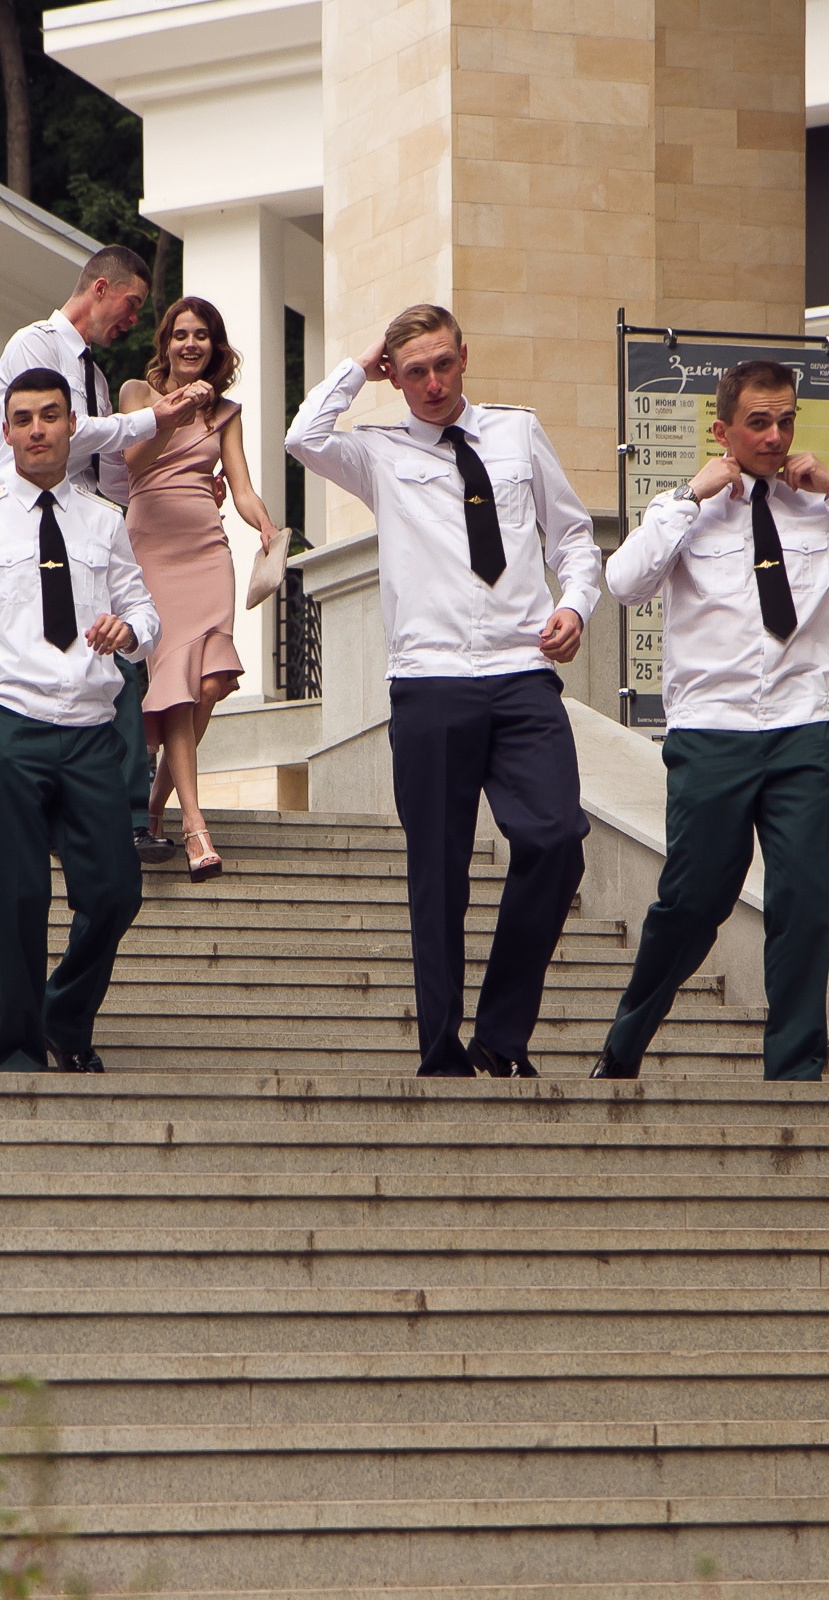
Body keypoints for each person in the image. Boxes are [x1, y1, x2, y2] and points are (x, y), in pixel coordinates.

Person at [592, 359, 829, 1082]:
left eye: (786, 420)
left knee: (804, 905)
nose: (775, 436)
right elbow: (623, 584)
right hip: (711, 735)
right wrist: (689, 497)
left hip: (800, 735)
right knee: (692, 903)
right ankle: (625, 1043)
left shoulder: (823, 513)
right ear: (722, 429)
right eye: (758, 422)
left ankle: (795, 1073)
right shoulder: (682, 511)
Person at [286, 304, 600, 1080]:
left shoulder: (518, 432)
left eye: (443, 365)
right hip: (430, 682)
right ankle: (441, 1049)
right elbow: (302, 438)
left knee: (557, 840)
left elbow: (571, 536)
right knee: (439, 870)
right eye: (413, 371)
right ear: (395, 376)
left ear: (466, 357)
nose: (430, 384)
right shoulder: (377, 451)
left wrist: (574, 604)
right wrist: (361, 366)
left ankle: (501, 1033)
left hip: (522, 673)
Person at [0, 368, 159, 1073]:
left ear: (73, 426)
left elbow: (145, 609)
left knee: (116, 891)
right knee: (19, 895)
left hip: (94, 729)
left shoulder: (104, 520)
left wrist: (128, 634)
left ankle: (64, 1016)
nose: (37, 429)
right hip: (14, 725)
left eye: (51, 416)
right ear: (6, 432)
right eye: (24, 418)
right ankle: (17, 1047)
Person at [0, 244, 211, 866]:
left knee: (119, 658)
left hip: (84, 526)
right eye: (133, 304)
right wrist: (147, 420)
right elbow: (66, 431)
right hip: (22, 521)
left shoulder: (99, 377)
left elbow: (110, 470)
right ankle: (47, 797)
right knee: (40, 654)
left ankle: (129, 814)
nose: (134, 321)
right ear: (102, 289)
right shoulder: (33, 345)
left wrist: (169, 482)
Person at [116, 296, 279, 881]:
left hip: (208, 551)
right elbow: (135, 462)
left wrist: (263, 523)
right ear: (166, 342)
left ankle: (155, 806)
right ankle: (194, 826)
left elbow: (241, 486)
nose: (191, 344)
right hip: (152, 548)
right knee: (178, 686)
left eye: (202, 336)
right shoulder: (137, 394)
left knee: (209, 683)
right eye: (181, 334)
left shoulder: (227, 411)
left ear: (215, 346)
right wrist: (177, 410)